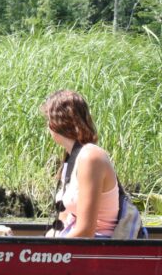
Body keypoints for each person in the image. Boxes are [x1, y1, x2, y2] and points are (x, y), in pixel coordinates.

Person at [42, 90, 120, 238]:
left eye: (48, 120)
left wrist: (49, 250)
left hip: (97, 246)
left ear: (56, 122)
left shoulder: (90, 157)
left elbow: (86, 232)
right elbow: (64, 220)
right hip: (72, 245)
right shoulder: (72, 159)